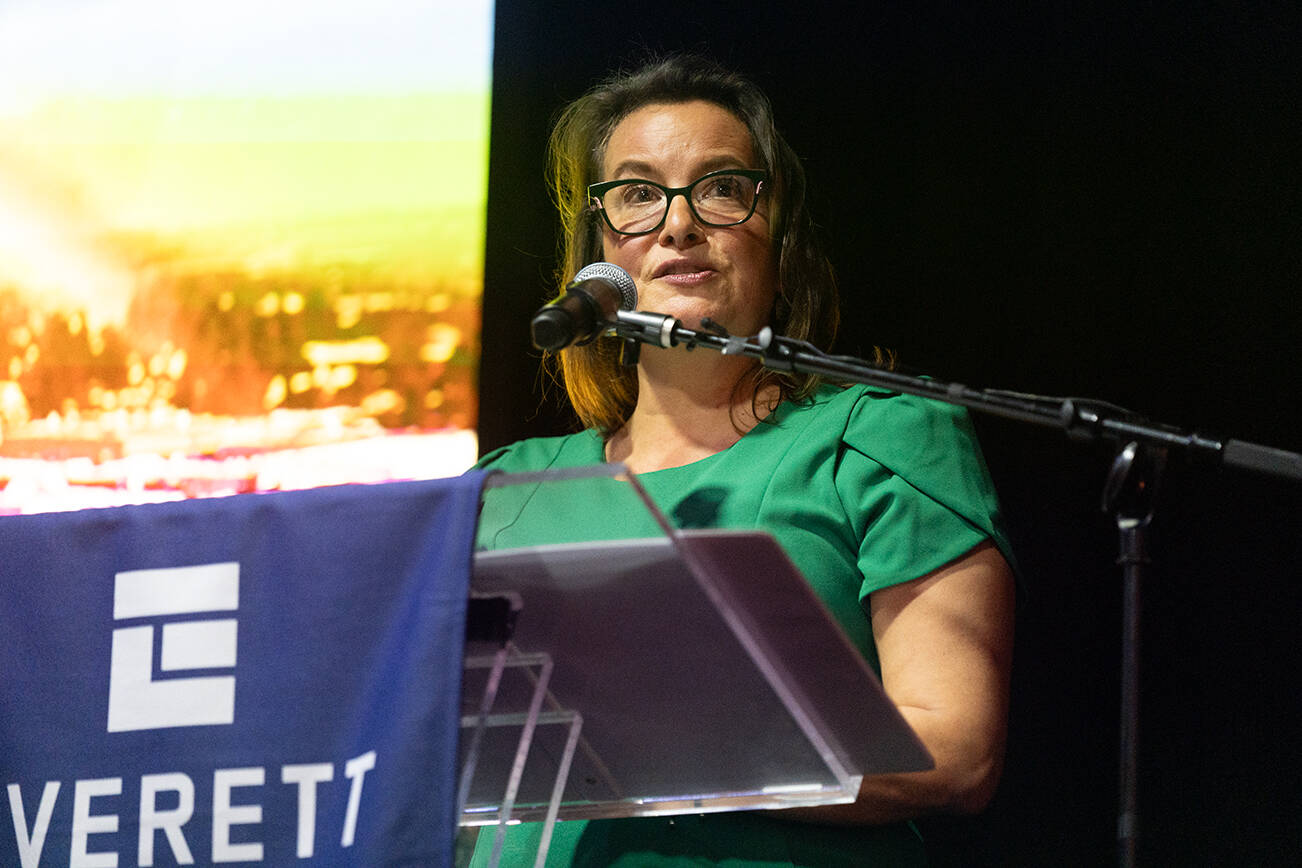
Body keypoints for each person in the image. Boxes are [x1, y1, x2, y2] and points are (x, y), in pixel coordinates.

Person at [470, 53, 1016, 867]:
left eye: (722, 187)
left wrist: (656, 743)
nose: (678, 223)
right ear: (600, 249)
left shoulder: (879, 434)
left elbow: (954, 751)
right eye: (638, 193)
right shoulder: (502, 490)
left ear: (779, 236)